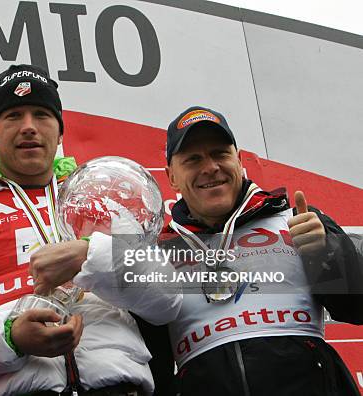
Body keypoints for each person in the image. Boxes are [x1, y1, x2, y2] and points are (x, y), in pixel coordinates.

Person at [32, 105, 363, 396]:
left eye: (220, 153)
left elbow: (358, 307)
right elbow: (153, 363)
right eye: (193, 159)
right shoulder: (156, 251)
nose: (210, 167)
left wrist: (328, 253)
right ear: (172, 177)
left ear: (239, 160)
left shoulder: (294, 218)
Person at [0, 64, 182, 396]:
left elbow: (167, 300)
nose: (29, 127)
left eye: (41, 115)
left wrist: (92, 254)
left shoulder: (100, 201)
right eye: (13, 115)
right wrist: (9, 335)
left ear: (59, 133)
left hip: (117, 387)